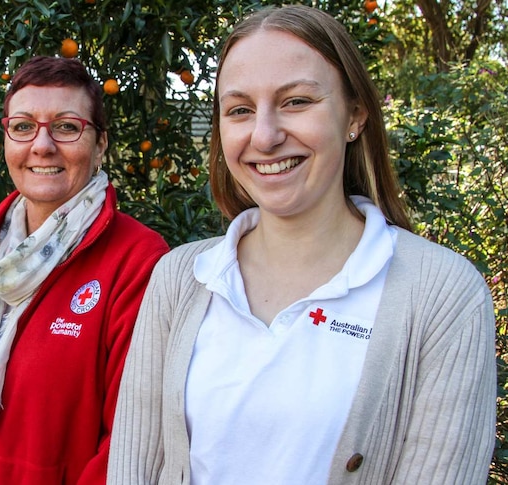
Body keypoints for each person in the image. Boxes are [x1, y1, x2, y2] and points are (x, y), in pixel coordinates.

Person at [108, 5, 496, 485]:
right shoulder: (180, 279)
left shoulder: (442, 294)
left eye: (296, 101)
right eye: (240, 110)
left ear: (354, 115)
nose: (265, 136)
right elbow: (134, 469)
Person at [0, 56, 169, 484]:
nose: (42, 146)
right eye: (24, 126)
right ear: (7, 140)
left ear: (101, 144)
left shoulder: (137, 260)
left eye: (66, 127)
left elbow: (130, 439)